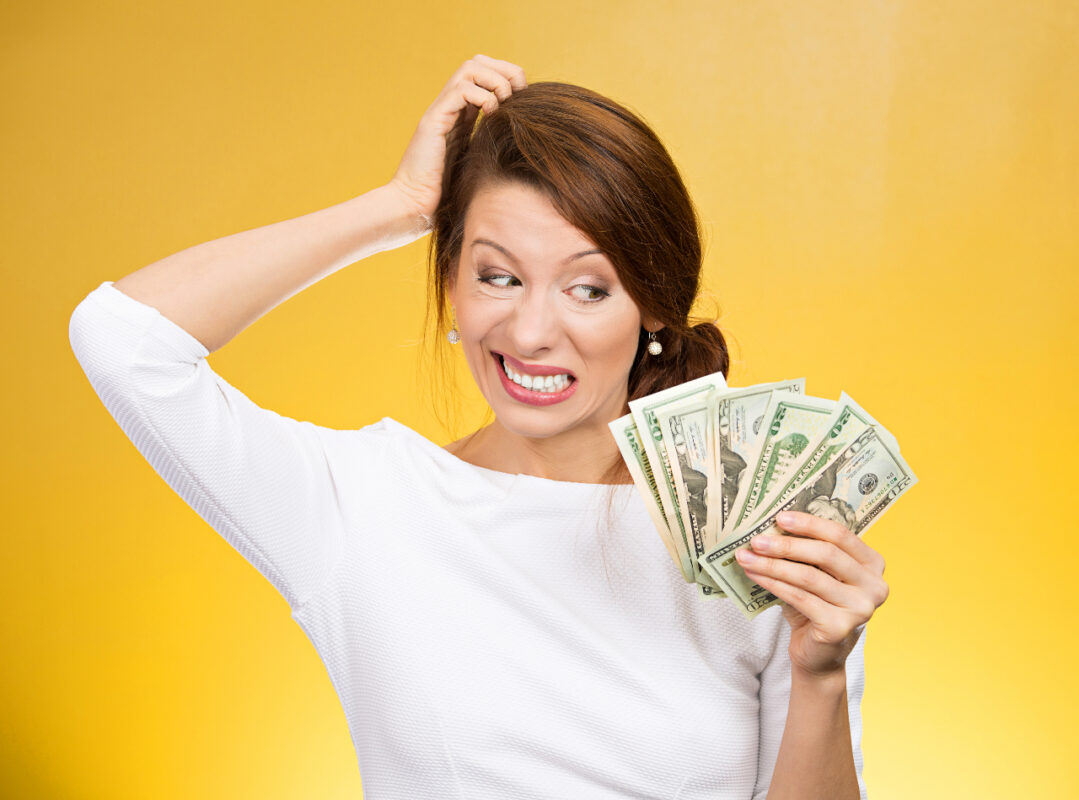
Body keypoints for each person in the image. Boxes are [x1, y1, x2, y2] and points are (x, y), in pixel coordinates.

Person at [69, 54, 888, 799]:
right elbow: (123, 341)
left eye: (588, 288)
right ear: (451, 284)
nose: (531, 332)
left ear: (651, 310)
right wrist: (398, 208)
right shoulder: (364, 505)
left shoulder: (754, 535)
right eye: (497, 275)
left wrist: (818, 673)